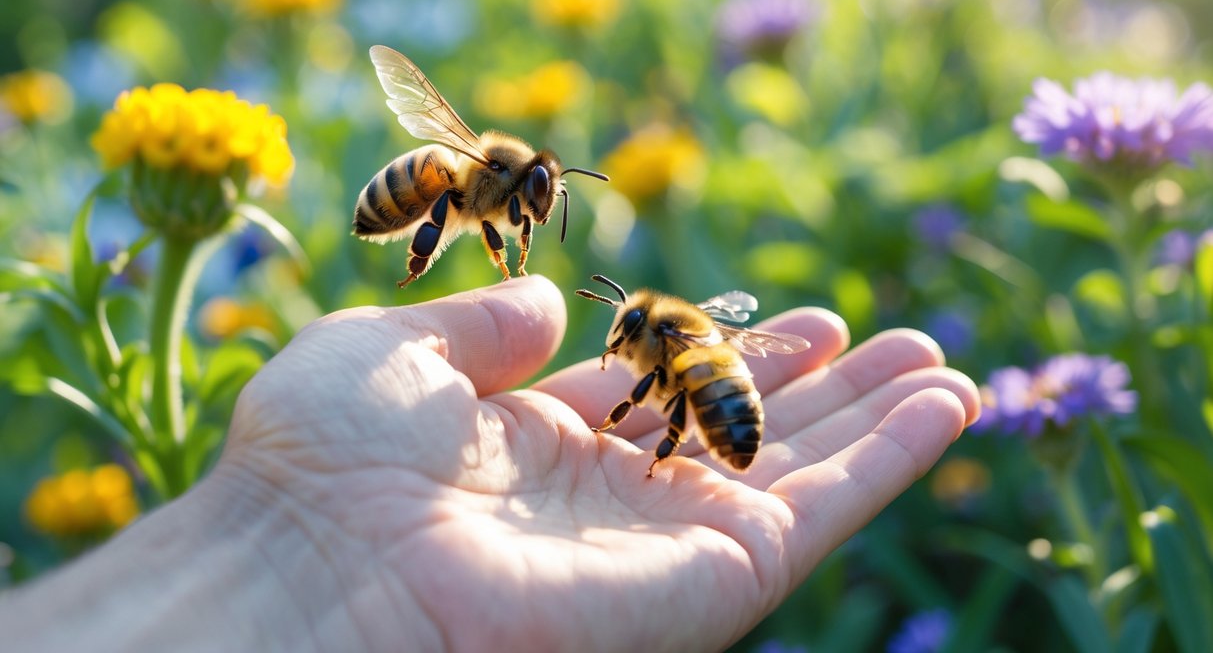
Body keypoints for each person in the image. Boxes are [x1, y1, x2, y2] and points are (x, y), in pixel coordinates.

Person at [2, 276, 979, 652]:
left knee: (688, 393)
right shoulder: (691, 335)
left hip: (721, 413)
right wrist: (287, 544)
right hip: (732, 409)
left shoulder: (665, 352)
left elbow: (666, 383)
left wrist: (280, 554)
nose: (618, 342)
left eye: (624, 331)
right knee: (696, 390)